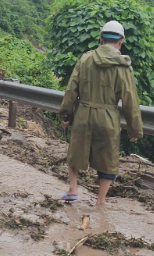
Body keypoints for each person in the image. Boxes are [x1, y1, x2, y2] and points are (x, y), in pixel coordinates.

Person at [58, 20, 143, 206]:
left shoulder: (85, 59)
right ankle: (101, 200)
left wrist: (66, 115)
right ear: (120, 42)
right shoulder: (123, 65)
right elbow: (130, 100)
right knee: (109, 159)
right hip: (108, 117)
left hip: (83, 114)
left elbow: (71, 90)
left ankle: (73, 189)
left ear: (101, 39)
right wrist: (134, 129)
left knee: (75, 152)